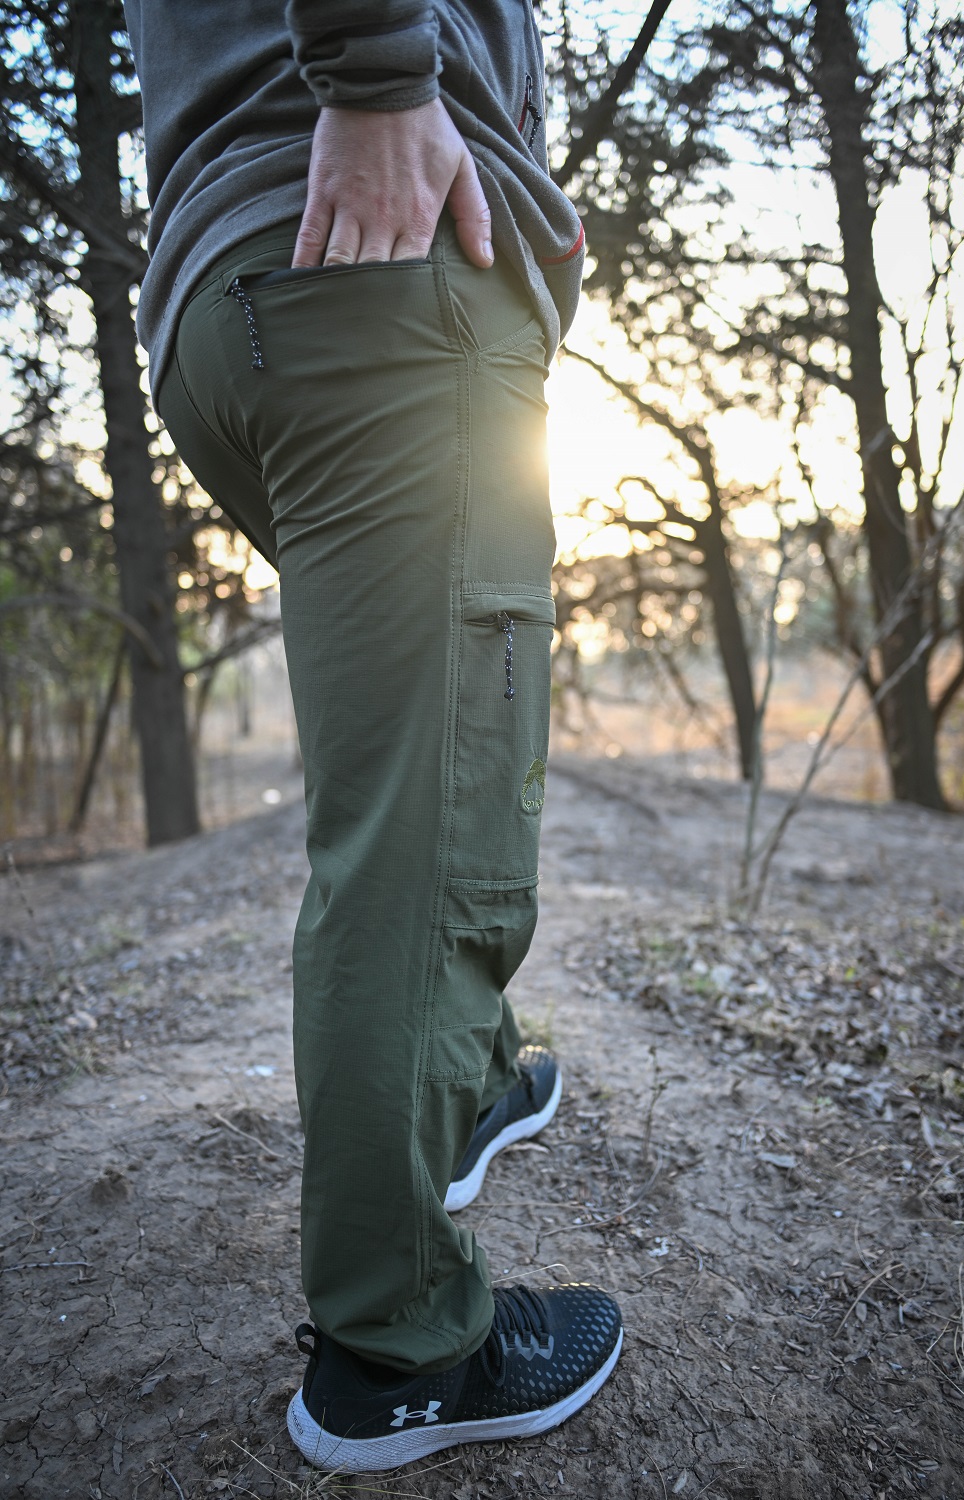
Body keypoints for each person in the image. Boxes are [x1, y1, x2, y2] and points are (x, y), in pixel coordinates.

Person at [122, 0, 623, 1472]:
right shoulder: (366, 86)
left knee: (418, 774)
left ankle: (459, 1090)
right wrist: (382, 73)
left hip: (241, 301)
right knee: (425, 829)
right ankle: (401, 1350)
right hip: (373, 265)